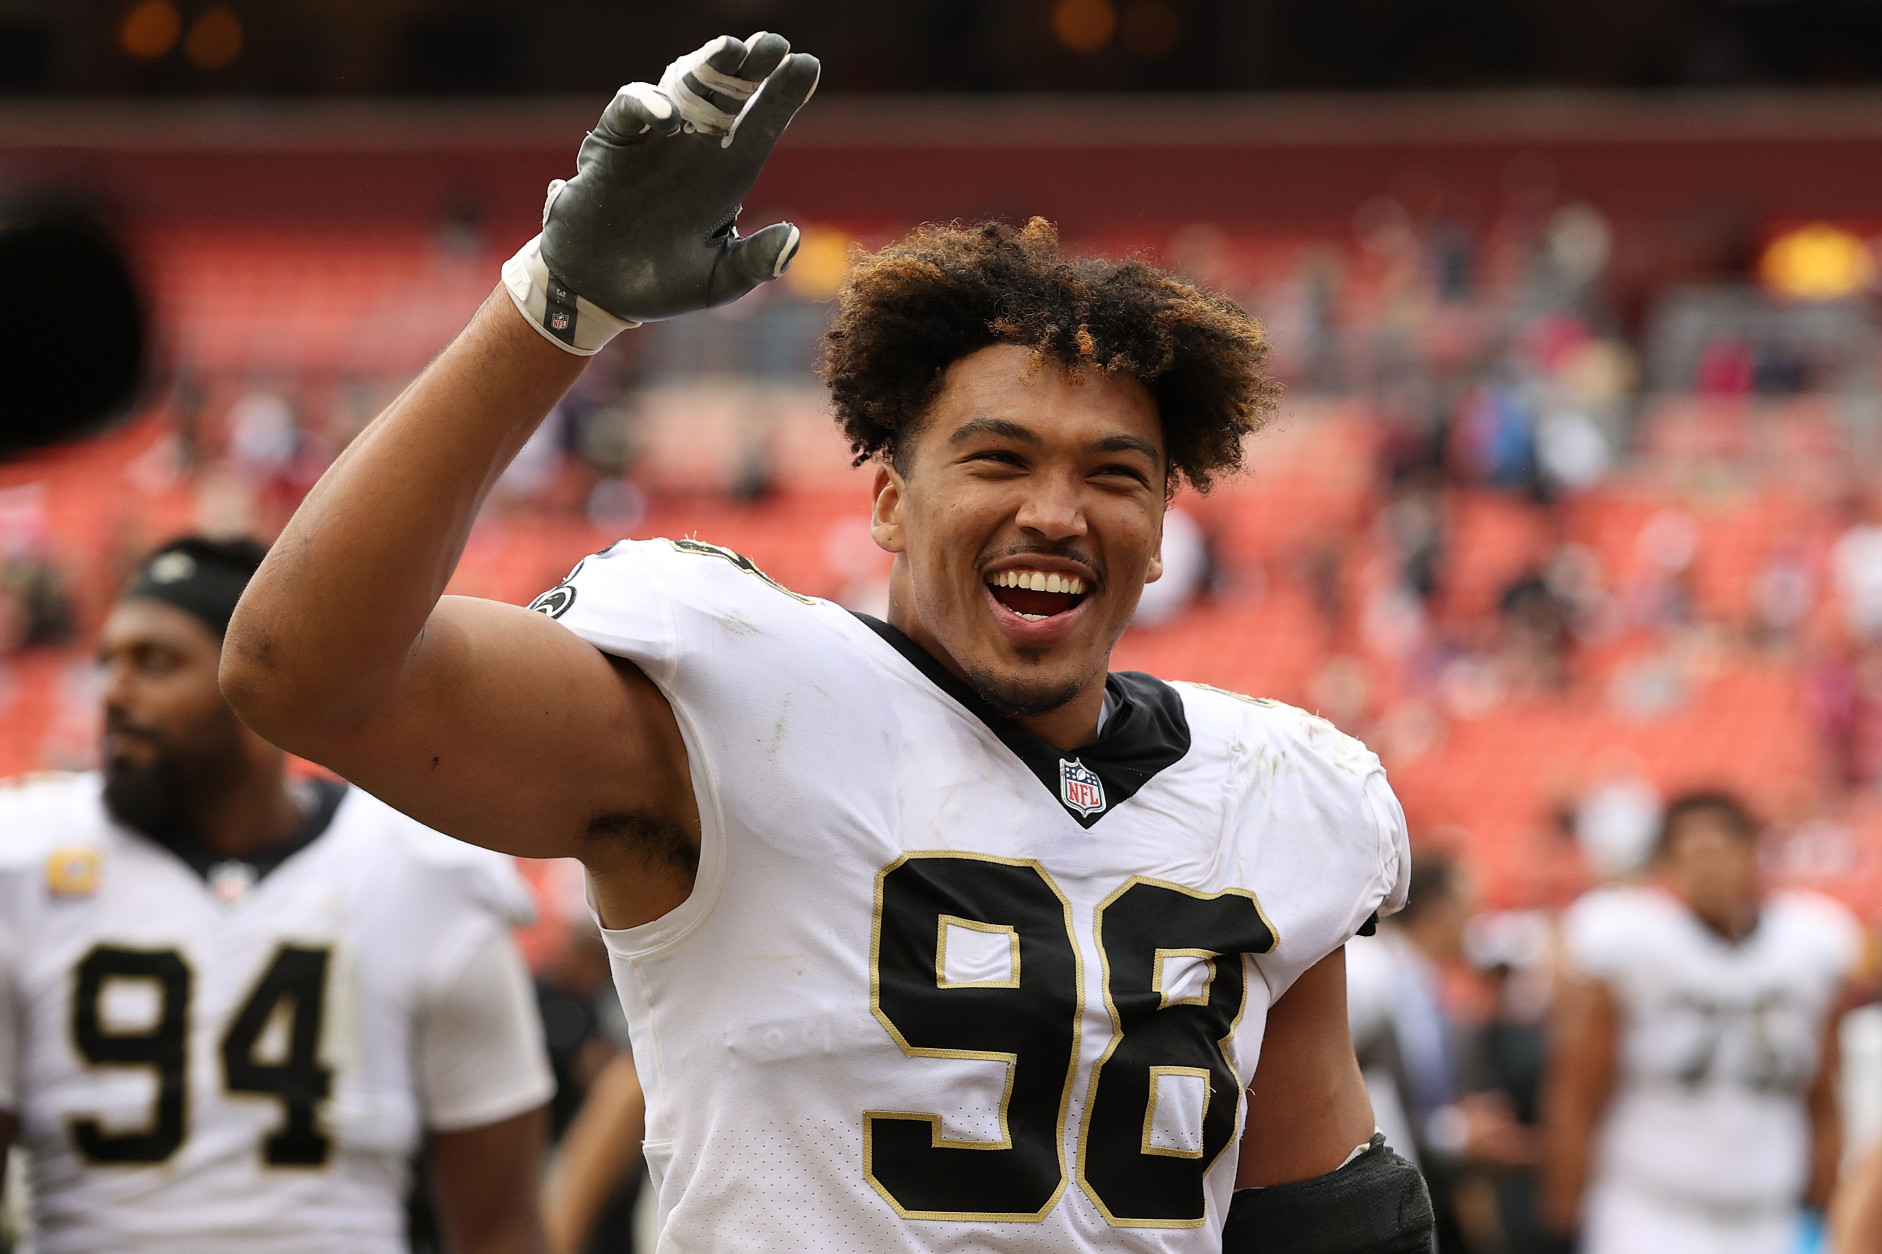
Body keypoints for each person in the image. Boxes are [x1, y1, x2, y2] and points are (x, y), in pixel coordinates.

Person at [219, 31, 1430, 1254]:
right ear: (890, 503)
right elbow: (299, 675)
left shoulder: (1274, 791)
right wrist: (553, 309)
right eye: (996, 458)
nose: (1056, 513)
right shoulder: (732, 704)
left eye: (1113, 474)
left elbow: (1319, 1220)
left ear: (1163, 529)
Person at [0, 536, 556, 1254]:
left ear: (253, 696)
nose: (113, 692)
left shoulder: (420, 873)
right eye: (108, 662)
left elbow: (502, 1227)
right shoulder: (27, 860)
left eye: (156, 662)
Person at [1543, 791, 1859, 1254]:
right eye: (1689, 853)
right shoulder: (1634, 943)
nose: (1707, 867)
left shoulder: (1809, 947)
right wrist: (1565, 1205)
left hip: (1766, 1210)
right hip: (1648, 1204)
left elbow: (1824, 1094)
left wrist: (1827, 1198)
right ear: (1666, 865)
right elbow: (1580, 1087)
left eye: (1718, 848)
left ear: (1753, 851)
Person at [1347, 854, 1534, 1252]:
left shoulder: (1421, 986)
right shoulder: (1370, 979)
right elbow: (1363, 1108)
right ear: (1439, 912)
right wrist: (1457, 1135)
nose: (1476, 920)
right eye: (1469, 905)